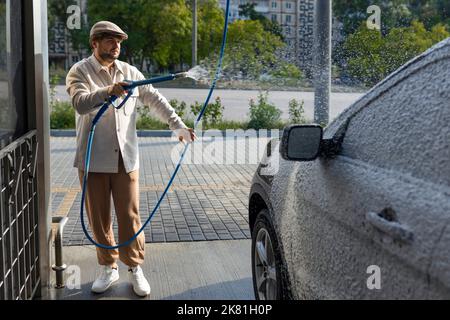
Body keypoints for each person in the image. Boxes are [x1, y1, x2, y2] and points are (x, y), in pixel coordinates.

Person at [66, 21, 196, 297]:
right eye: (110, 41)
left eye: (119, 41)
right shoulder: (79, 71)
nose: (116, 46)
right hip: (92, 159)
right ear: (95, 43)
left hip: (126, 159)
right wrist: (108, 91)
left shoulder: (130, 71)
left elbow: (156, 99)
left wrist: (178, 127)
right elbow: (80, 102)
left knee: (130, 217)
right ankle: (108, 267)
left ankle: (135, 268)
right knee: (99, 219)